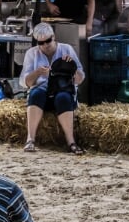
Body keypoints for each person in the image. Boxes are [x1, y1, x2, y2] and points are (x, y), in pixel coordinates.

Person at [19, 22, 86, 155]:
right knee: (36, 94)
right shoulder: (32, 53)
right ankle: (30, 139)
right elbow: (24, 82)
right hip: (42, 92)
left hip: (62, 90)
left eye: (48, 41)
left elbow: (80, 79)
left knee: (63, 97)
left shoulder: (67, 49)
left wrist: (70, 67)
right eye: (40, 43)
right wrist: (37, 72)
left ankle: (71, 142)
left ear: (54, 37)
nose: (45, 45)